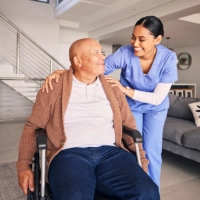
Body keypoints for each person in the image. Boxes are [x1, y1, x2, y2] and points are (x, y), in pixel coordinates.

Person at [41, 16, 178, 187]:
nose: (135, 43)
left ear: (157, 39)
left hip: (156, 108)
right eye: (133, 37)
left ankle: (152, 191)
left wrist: (125, 90)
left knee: (152, 150)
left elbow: (157, 98)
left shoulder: (169, 58)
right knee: (134, 147)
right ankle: (132, 184)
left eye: (142, 39)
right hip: (132, 106)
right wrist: (64, 72)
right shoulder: (125, 53)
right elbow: (92, 67)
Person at [17, 38, 159, 200]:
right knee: (75, 195)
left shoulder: (113, 88)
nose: (102, 57)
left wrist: (141, 160)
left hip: (111, 153)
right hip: (69, 154)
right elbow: (32, 126)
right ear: (78, 61)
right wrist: (23, 165)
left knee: (148, 192)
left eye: (102, 52)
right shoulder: (54, 86)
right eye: (96, 53)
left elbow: (129, 126)